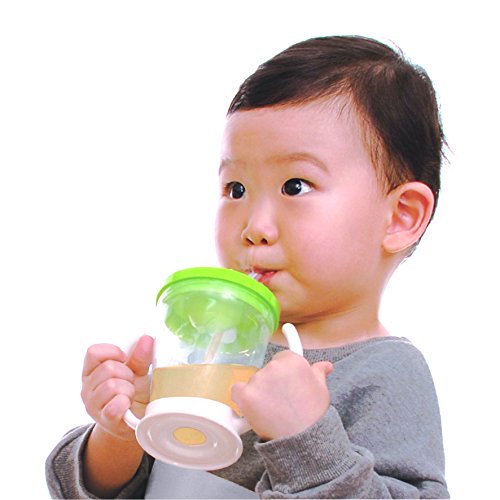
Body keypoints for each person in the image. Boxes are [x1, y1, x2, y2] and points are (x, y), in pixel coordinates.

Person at [46, 35, 449, 498]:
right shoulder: (212, 343)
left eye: (295, 186)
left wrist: (306, 441)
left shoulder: (386, 372)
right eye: (235, 189)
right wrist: (121, 431)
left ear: (400, 217)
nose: (254, 227)